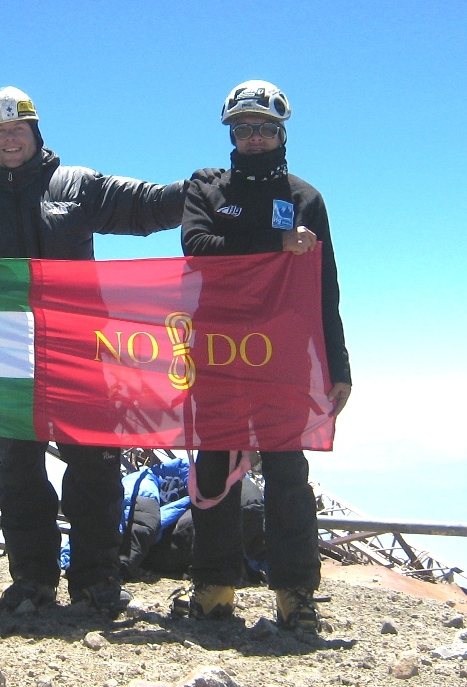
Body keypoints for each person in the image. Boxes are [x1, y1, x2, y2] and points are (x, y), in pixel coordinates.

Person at [0, 86, 188, 614]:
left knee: (96, 464)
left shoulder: (77, 186)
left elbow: (147, 207)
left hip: (81, 349)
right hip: (1, 354)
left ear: (37, 134)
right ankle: (32, 581)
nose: (10, 139)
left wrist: (201, 188)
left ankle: (95, 580)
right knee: (18, 469)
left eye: (19, 129)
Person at [175, 80, 352, 631]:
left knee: (287, 472)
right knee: (214, 468)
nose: (254, 138)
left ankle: (295, 593)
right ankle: (214, 588)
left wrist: (338, 365)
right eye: (243, 128)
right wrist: (273, 245)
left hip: (284, 360)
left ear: (281, 133)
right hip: (220, 351)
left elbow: (325, 288)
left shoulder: (306, 200)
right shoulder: (206, 190)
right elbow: (197, 249)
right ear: (232, 133)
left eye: (264, 128)